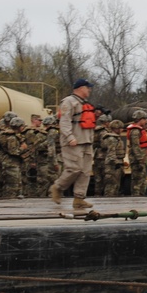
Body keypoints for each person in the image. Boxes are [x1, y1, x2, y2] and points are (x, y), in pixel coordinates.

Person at [49, 79, 97, 209]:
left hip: (86, 141)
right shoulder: (68, 102)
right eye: (88, 87)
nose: (89, 90)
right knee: (74, 168)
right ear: (81, 88)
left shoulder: (84, 103)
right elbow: (64, 122)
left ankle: (79, 198)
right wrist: (70, 137)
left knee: (85, 171)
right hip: (73, 142)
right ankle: (58, 187)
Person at [0, 116, 27, 198]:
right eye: (22, 126)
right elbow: (13, 151)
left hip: (13, 164)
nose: (23, 128)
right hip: (11, 165)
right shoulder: (12, 138)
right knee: (12, 186)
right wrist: (22, 148)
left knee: (17, 185)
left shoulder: (13, 136)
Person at [125, 109, 147, 196]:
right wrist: (140, 160)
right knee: (137, 181)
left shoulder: (139, 130)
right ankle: (136, 198)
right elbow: (135, 147)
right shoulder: (135, 131)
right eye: (144, 119)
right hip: (137, 161)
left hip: (141, 160)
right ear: (140, 119)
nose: (145, 121)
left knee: (143, 181)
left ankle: (141, 197)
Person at [100, 119, 127, 196]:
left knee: (116, 186)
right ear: (116, 128)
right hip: (112, 166)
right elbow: (111, 153)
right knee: (111, 187)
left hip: (116, 164)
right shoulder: (112, 139)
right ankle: (109, 202)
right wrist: (115, 163)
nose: (122, 130)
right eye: (121, 128)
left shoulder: (116, 138)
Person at [91, 115, 112, 196]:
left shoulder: (95, 130)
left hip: (96, 156)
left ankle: (97, 194)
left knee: (97, 179)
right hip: (103, 157)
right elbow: (104, 145)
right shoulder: (104, 132)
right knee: (105, 178)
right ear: (106, 122)